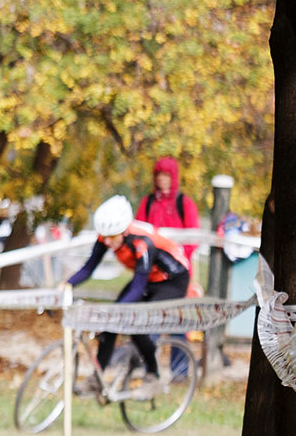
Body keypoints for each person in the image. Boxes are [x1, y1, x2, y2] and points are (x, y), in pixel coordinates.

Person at [65, 194, 190, 390]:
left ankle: (152, 374)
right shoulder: (107, 234)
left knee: (136, 323)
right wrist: (66, 285)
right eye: (104, 237)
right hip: (149, 278)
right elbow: (89, 267)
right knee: (110, 324)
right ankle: (98, 379)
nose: (107, 242)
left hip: (172, 281)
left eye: (112, 237)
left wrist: (114, 312)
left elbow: (138, 288)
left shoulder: (142, 242)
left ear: (124, 231)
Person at [135, 156, 201, 281]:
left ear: (173, 177)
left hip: (178, 266)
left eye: (166, 175)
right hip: (152, 266)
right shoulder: (148, 202)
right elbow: (138, 232)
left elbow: (193, 237)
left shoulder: (184, 203)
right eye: (159, 175)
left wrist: (177, 255)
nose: (161, 178)